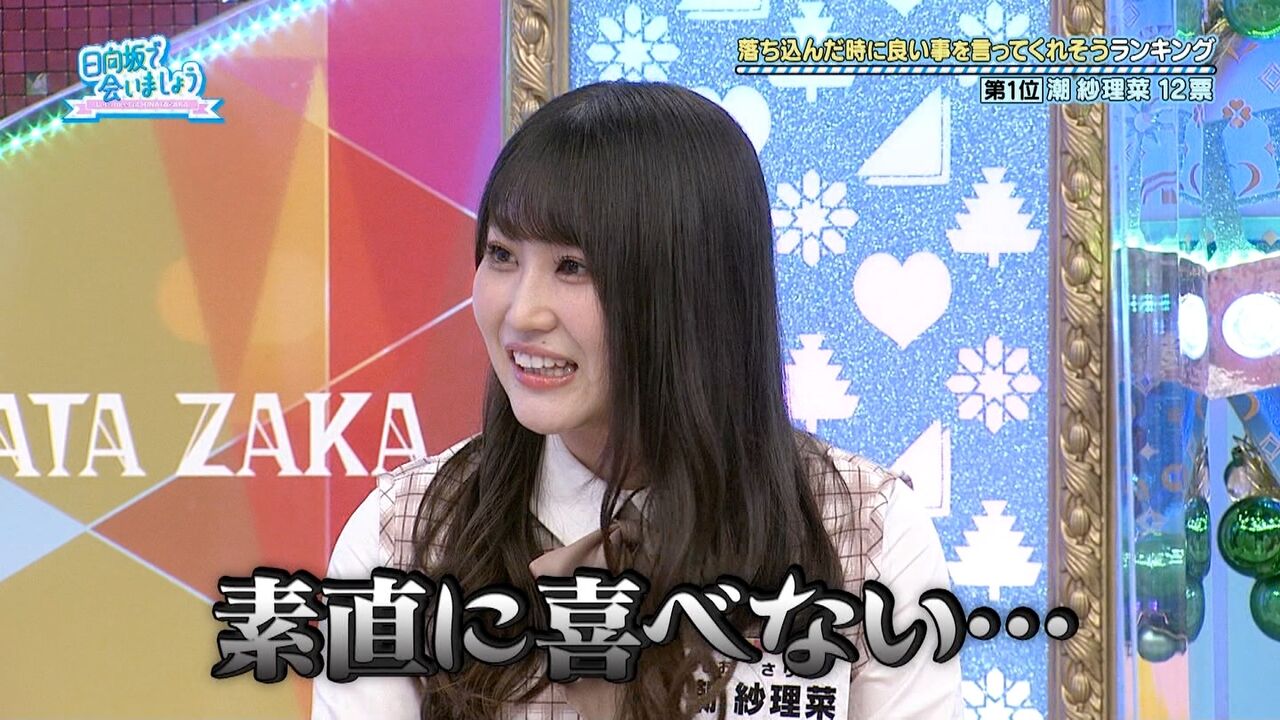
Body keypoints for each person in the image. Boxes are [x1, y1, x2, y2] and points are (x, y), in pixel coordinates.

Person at [312, 80, 961, 720]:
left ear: (693, 287)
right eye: (502, 255)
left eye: (573, 266)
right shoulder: (405, 539)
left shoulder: (865, 535)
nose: (522, 312)